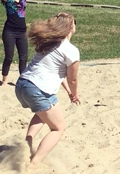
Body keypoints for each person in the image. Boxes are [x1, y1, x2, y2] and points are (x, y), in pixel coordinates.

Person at [14, 12, 80, 165]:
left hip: (22, 84)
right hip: (37, 89)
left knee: (42, 113)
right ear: (71, 27)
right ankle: (34, 163)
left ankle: (27, 143)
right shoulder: (70, 50)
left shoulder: (47, 43)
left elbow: (58, 72)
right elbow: (73, 79)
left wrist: (69, 93)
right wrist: (75, 94)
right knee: (59, 128)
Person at [0, 0, 42, 85]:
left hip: (22, 32)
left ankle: (22, 79)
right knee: (9, 57)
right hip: (9, 31)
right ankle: (4, 80)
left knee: (23, 57)